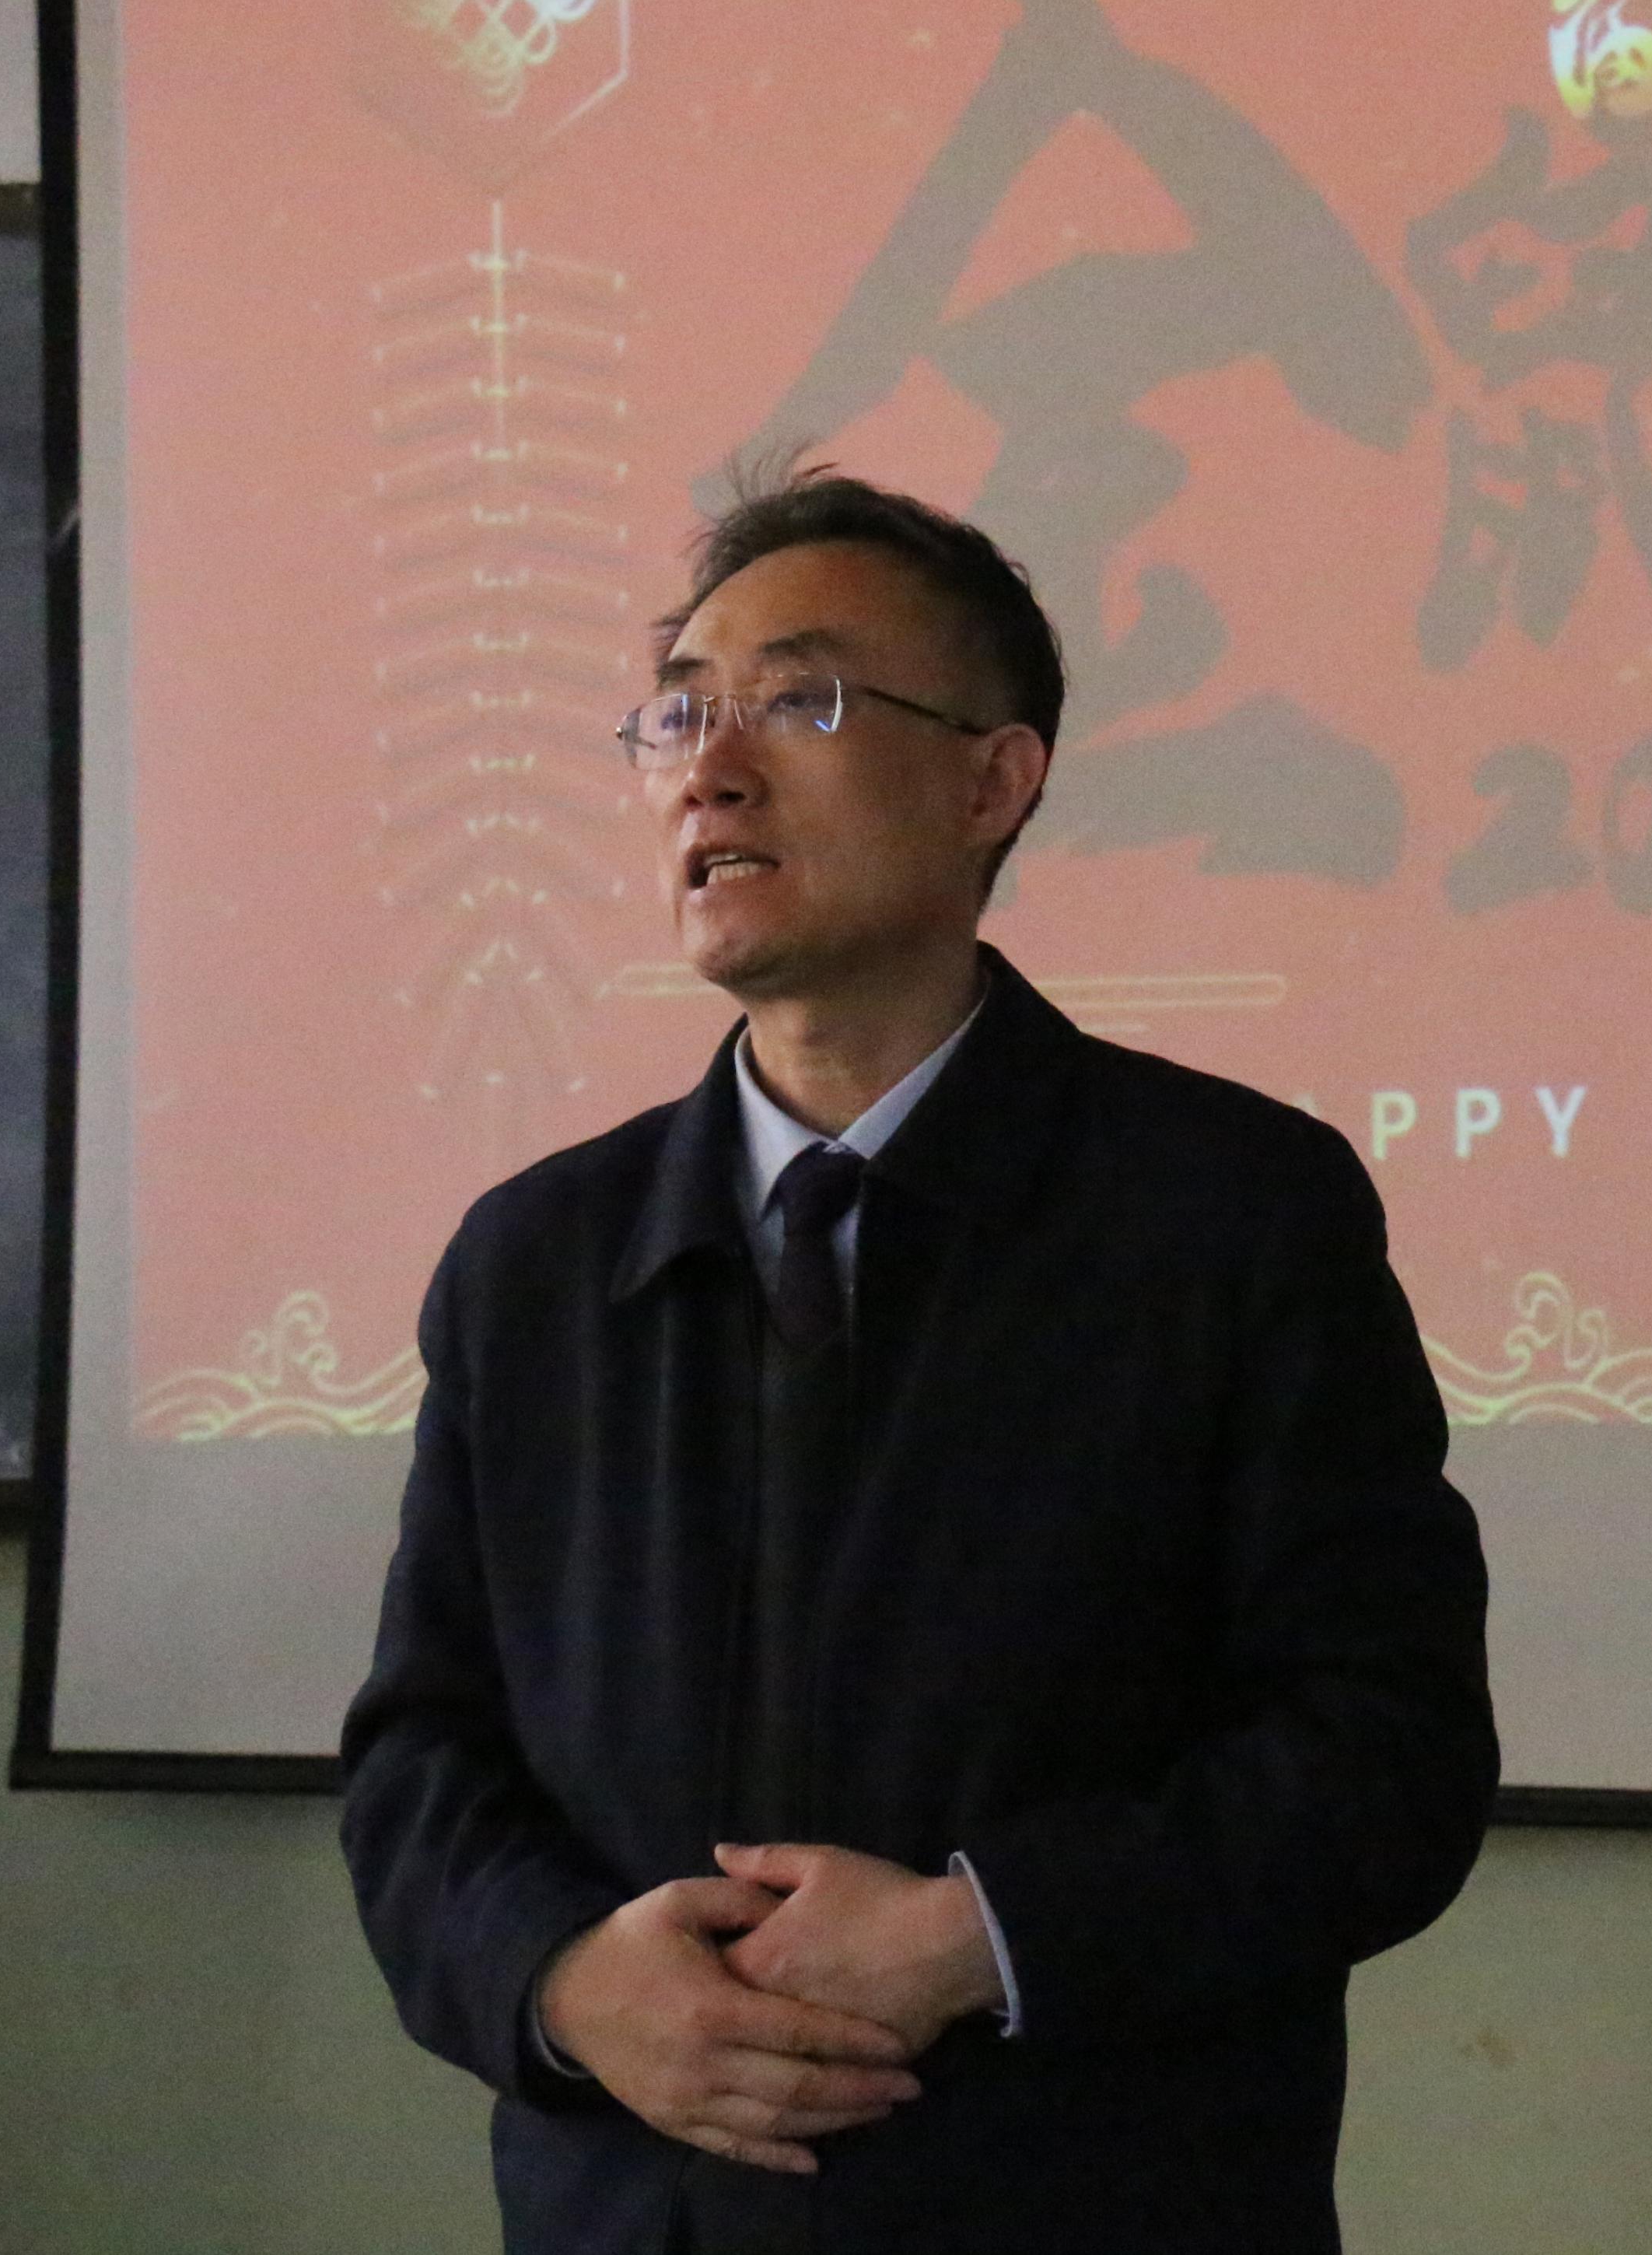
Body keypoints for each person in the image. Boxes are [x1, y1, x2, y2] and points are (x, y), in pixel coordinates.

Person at [341, 460, 1498, 2254]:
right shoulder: (538, 1264)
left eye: (800, 701)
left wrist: (983, 1935)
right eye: (678, 714)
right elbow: (425, 1763)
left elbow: (1383, 1754)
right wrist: (563, 1981)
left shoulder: (1226, 1215)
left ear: (991, 781)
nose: (712, 768)